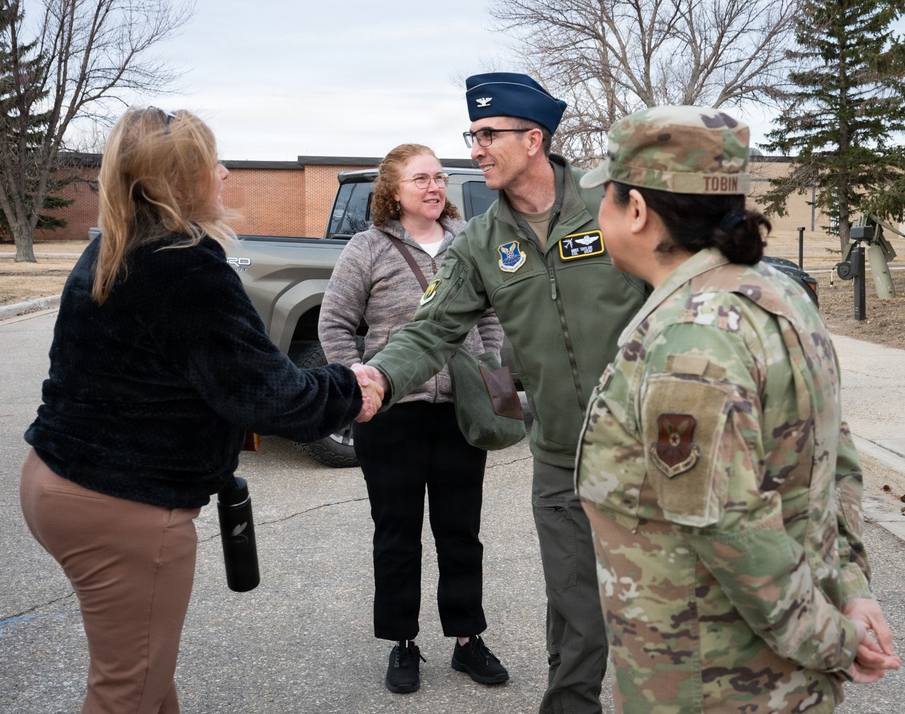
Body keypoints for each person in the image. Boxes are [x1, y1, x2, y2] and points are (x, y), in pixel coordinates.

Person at [19, 107, 378, 714]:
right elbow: (268, 394)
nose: (227, 172)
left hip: (59, 482)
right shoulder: (182, 267)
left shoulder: (116, 248)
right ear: (180, 180)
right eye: (213, 162)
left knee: (146, 678)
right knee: (126, 690)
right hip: (124, 507)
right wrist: (354, 387)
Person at [574, 105, 901, 712]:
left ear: (638, 210)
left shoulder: (691, 338)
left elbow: (729, 528)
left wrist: (835, 640)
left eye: (609, 197)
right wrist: (850, 590)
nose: (601, 213)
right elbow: (836, 460)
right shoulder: (778, 298)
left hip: (712, 681)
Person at [357, 73, 650, 712]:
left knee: (661, 611)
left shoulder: (614, 203)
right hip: (559, 455)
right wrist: (380, 375)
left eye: (488, 135)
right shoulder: (482, 242)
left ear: (534, 139)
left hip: (648, 448)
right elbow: (430, 330)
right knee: (574, 608)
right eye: (474, 134)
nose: (477, 148)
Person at [319, 143, 508, 694]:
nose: (434, 188)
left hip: (459, 414)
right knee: (397, 535)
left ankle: (467, 640)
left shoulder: (468, 245)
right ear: (392, 191)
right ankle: (403, 642)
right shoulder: (367, 249)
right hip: (391, 417)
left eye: (440, 178)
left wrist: (489, 372)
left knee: (460, 533)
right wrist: (358, 382)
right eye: (421, 179)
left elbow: (491, 319)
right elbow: (334, 326)